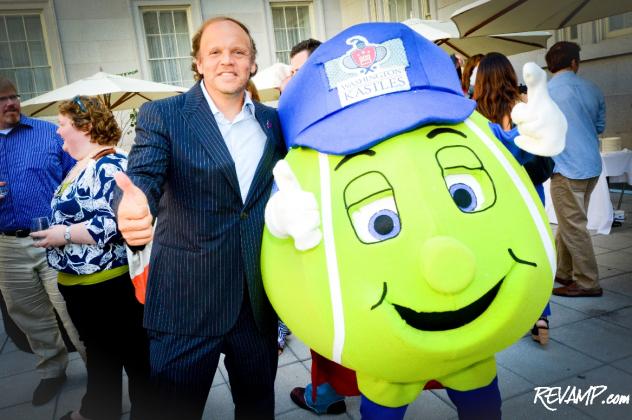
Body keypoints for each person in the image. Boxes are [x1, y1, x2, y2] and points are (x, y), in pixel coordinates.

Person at [114, 16, 285, 420]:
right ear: (198, 62)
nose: (228, 60)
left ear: (252, 63)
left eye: (238, 52)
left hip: (255, 303)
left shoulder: (273, 121)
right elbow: (144, 178)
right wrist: (135, 207)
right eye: (216, 52)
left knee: (258, 406)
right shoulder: (164, 116)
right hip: (187, 301)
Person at [32, 96, 151, 420]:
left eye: (62, 125)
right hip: (78, 286)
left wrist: (63, 235)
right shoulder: (79, 165)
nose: (57, 132)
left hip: (109, 286)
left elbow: (117, 222)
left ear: (85, 126)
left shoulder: (110, 164)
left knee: (135, 358)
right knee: (100, 356)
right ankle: (99, 411)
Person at [0, 76, 85, 406]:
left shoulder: (49, 134)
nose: (11, 103)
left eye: (14, 96)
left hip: (56, 239)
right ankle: (52, 371)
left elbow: (78, 175)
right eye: (2, 99)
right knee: (29, 314)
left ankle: (100, 371)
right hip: (7, 246)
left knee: (73, 307)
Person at [474, 52, 554, 344]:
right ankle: (540, 316)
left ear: (479, 80)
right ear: (510, 75)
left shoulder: (475, 115)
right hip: (529, 191)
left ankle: (499, 312)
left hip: (493, 196)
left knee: (495, 252)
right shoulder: (526, 108)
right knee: (533, 253)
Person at [546, 41, 605, 298]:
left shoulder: (546, 92)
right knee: (570, 223)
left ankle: (587, 281)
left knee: (573, 225)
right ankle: (564, 271)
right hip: (591, 165)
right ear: (574, 62)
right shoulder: (593, 88)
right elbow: (600, 126)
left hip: (566, 166)